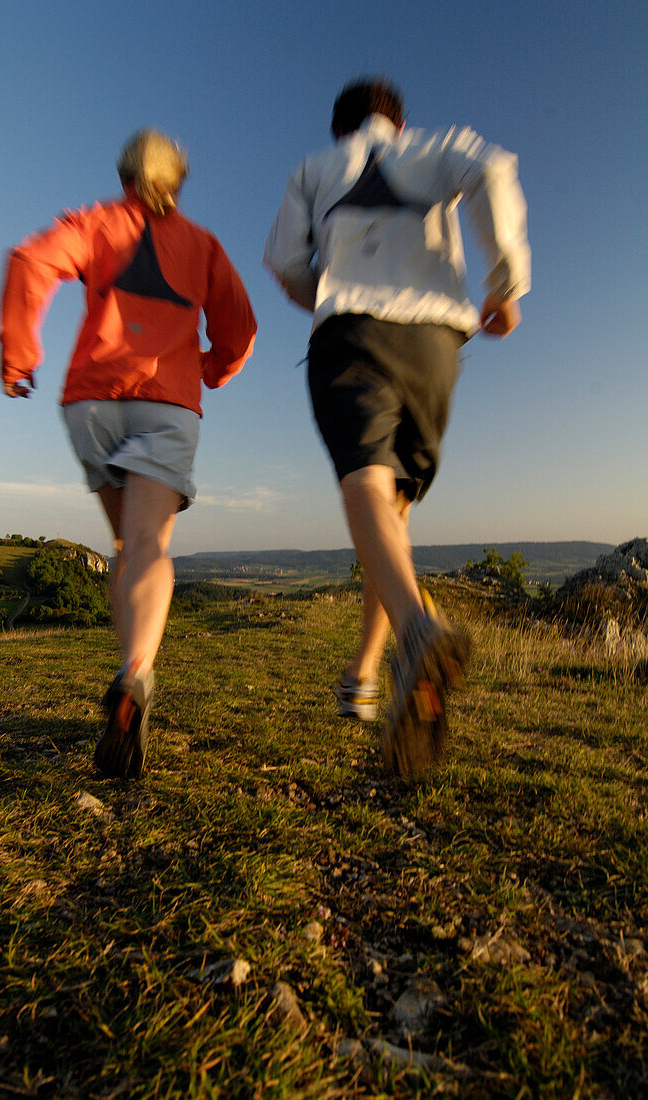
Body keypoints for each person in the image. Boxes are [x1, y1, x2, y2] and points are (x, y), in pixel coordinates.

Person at [264, 79, 530, 777]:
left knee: (362, 485)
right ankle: (363, 679)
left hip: (352, 332)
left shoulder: (312, 171)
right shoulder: (438, 148)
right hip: (436, 347)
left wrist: (323, 292)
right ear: (398, 120)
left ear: (338, 127)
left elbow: (286, 265)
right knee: (392, 524)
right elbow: (494, 171)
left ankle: (417, 635)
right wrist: (504, 281)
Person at [0, 129, 256, 778]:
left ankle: (129, 672)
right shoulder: (201, 246)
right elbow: (238, 330)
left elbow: (30, 263)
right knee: (147, 547)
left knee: (124, 548)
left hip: (90, 401)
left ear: (124, 176)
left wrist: (20, 351)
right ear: (178, 181)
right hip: (166, 401)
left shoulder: (95, 223)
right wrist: (210, 370)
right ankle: (136, 671)